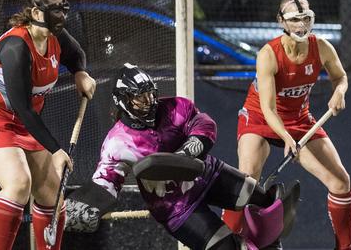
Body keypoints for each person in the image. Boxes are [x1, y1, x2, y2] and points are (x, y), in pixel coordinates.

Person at [64, 63, 300, 250]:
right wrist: (82, 207)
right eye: (140, 97)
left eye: (150, 94)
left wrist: (186, 153)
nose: (149, 102)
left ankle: (270, 242)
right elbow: (105, 182)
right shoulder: (116, 143)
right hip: (177, 208)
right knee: (227, 248)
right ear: (123, 101)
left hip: (210, 174)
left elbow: (204, 124)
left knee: (265, 200)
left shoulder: (176, 107)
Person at [0, 0, 96, 250]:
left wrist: (80, 72)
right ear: (36, 13)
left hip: (20, 121)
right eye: (56, 10)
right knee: (19, 183)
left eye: (64, 9)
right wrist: (55, 150)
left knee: (52, 193)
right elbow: (23, 108)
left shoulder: (54, 35)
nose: (62, 15)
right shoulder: (17, 48)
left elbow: (75, 53)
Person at [222, 0, 351, 250]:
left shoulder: (322, 47)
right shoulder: (268, 54)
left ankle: (345, 247)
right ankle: (223, 243)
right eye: (295, 19)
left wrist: (339, 91)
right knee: (247, 180)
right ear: (281, 22)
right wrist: (286, 139)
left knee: (341, 183)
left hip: (300, 119)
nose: (302, 24)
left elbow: (340, 77)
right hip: (260, 117)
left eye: (307, 18)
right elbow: (268, 109)